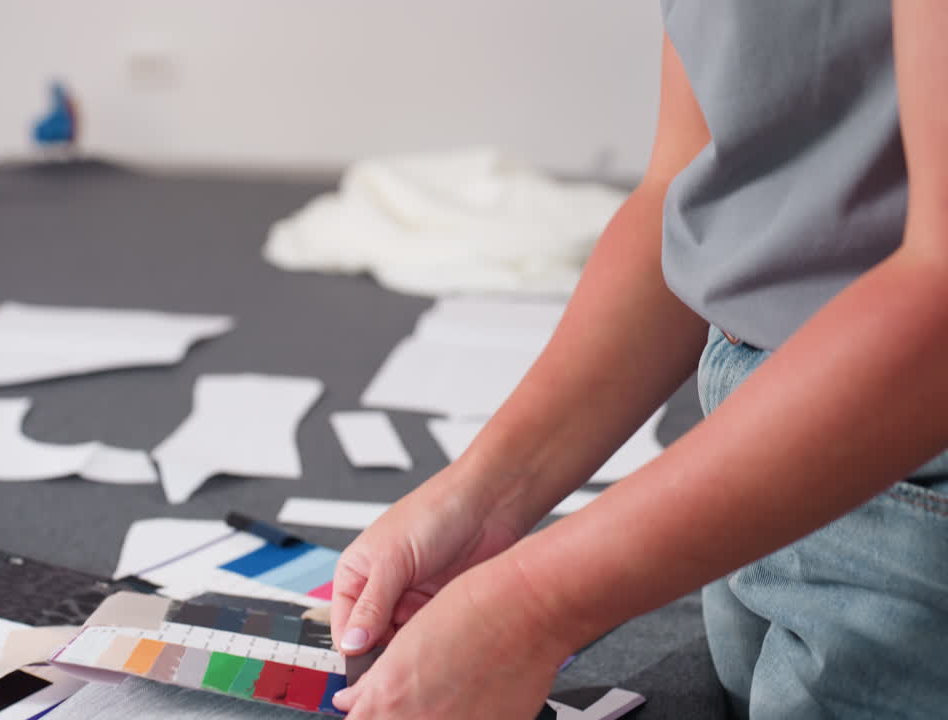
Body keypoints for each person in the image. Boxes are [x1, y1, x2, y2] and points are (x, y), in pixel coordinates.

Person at [327, 2, 948, 718]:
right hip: (758, 487)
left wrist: (531, 606)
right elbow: (692, 192)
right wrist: (480, 497)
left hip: (909, 505)